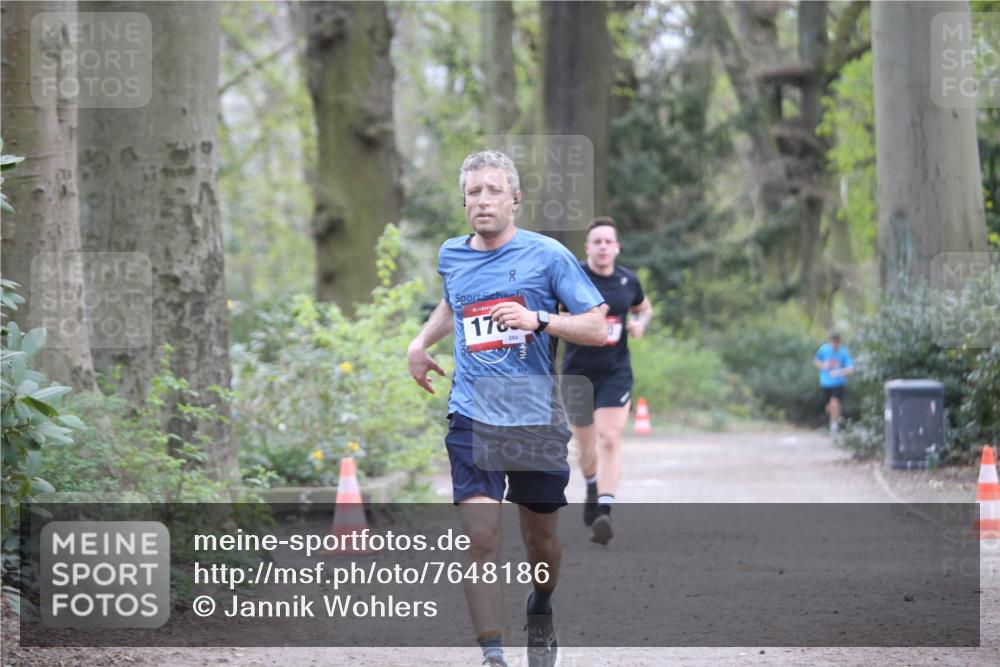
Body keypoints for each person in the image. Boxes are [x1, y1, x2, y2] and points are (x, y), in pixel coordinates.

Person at [407, 150, 606, 667]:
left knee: (542, 543)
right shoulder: (452, 254)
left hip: (533, 415)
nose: (483, 200)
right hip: (472, 413)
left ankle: (540, 605)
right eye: (474, 192)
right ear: (464, 201)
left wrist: (538, 318)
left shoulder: (548, 256)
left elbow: (597, 325)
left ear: (515, 198)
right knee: (480, 537)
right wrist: (419, 342)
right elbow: (454, 301)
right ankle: (492, 654)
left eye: (494, 190)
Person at [560, 217, 652, 545]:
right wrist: (579, 321)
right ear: (587, 248)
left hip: (616, 370)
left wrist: (640, 323)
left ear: (616, 247)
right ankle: (592, 485)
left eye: (607, 242)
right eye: (596, 242)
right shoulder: (573, 276)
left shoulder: (629, 280)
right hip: (577, 371)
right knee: (585, 444)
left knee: (609, 437)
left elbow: (644, 309)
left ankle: (605, 510)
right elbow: (556, 314)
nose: (602, 247)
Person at [813, 332, 853, 432]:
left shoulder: (844, 352)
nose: (835, 344)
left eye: (837, 342)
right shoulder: (824, 349)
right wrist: (823, 365)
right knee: (828, 407)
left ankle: (834, 426)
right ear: (830, 341)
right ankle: (834, 419)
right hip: (825, 382)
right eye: (833, 341)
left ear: (840, 342)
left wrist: (840, 372)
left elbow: (850, 368)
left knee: (835, 403)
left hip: (838, 383)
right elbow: (815, 361)